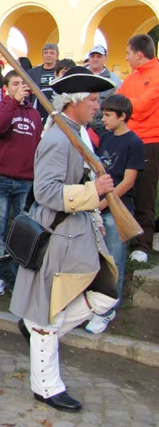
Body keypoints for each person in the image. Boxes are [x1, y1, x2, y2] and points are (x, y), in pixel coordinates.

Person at [10, 67, 119, 413]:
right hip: (59, 235)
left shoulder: (78, 133)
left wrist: (96, 211)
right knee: (47, 315)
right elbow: (45, 192)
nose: (98, 106)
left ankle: (40, 329)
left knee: (105, 293)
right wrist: (92, 192)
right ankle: (47, 386)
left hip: (81, 232)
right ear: (73, 102)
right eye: (92, 100)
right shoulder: (59, 139)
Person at [86, 94, 144, 333]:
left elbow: (128, 181)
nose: (103, 118)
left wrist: (103, 204)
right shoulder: (107, 137)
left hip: (116, 209)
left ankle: (108, 309)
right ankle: (93, 304)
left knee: (114, 263)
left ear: (122, 116)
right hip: (98, 204)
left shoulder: (134, 143)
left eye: (109, 115)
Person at [0, 71, 42, 296]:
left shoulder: (35, 115)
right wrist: (13, 102)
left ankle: (20, 277)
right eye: (15, 84)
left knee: (22, 232)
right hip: (1, 179)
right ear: (7, 87)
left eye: (23, 84)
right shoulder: (1, 108)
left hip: (25, 182)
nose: (21, 87)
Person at [117, 34, 159, 263]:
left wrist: (127, 107)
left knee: (144, 193)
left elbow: (141, 107)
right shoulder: (132, 78)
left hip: (151, 142)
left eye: (127, 53)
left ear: (138, 54)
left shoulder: (157, 75)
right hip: (128, 139)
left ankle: (143, 244)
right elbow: (116, 103)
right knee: (125, 189)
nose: (126, 57)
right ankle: (126, 235)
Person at [28, 43, 59, 123]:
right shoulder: (32, 72)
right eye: (46, 53)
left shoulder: (61, 71)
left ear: (57, 56)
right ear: (42, 55)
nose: (48, 55)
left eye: (52, 53)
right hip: (38, 107)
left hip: (56, 107)